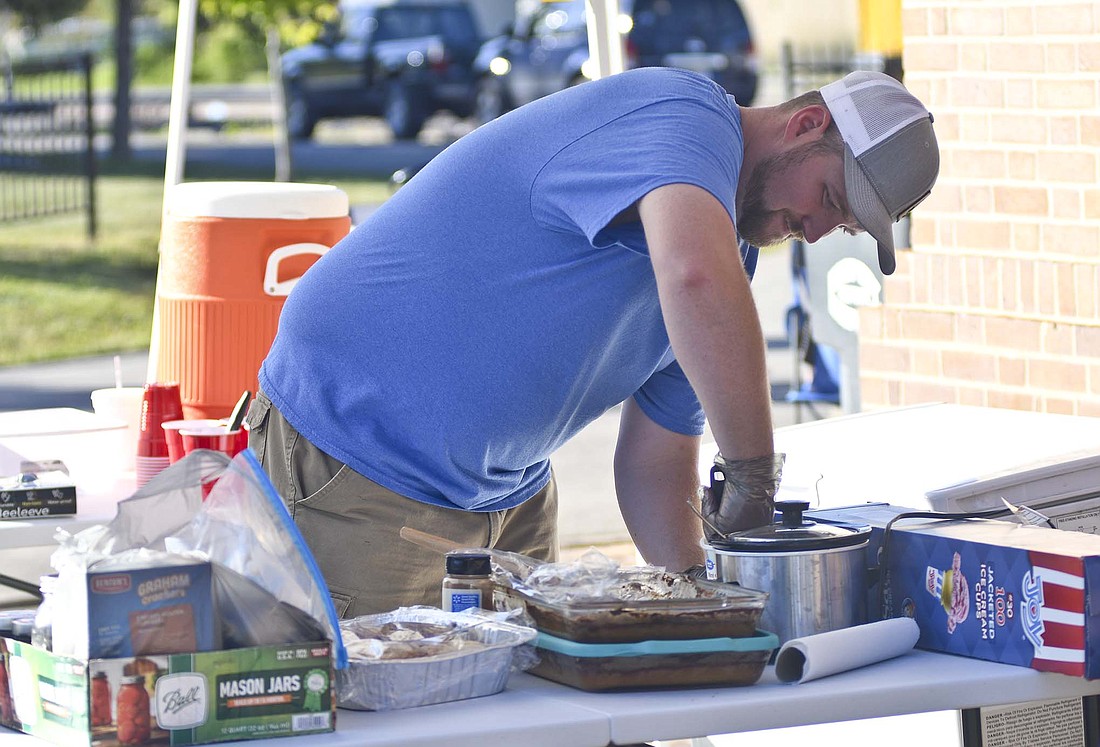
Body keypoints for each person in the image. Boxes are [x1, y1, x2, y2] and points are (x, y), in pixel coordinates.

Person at [245, 67, 939, 617]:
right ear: (807, 124)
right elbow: (693, 276)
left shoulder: (728, 258)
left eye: (840, 227)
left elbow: (655, 460)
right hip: (356, 456)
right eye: (829, 198)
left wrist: (700, 596)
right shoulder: (685, 116)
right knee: (376, 715)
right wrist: (753, 474)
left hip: (504, 498)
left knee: (535, 722)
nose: (815, 231)